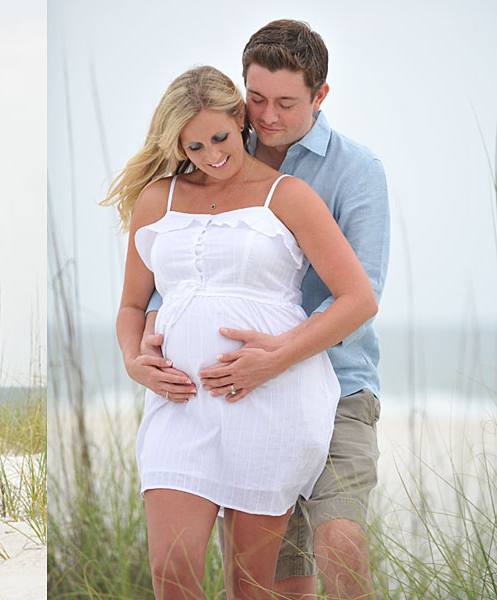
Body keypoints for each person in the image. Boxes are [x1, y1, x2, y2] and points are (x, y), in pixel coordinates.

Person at [133, 21, 390, 600]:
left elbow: (359, 297)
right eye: (257, 99)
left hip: (337, 385)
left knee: (341, 546)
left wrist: (275, 359)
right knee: (269, 584)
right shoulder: (217, 146)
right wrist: (150, 327)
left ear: (320, 97)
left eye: (286, 102)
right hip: (223, 393)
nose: (268, 116)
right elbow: (174, 269)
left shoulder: (354, 172)